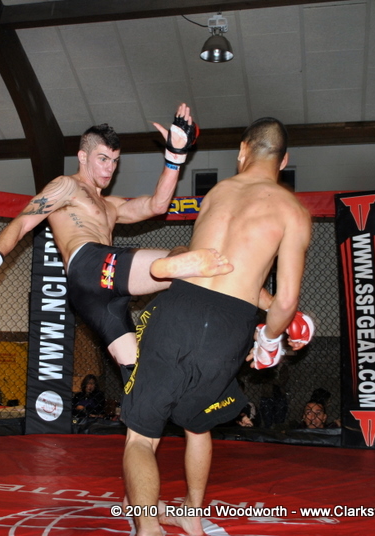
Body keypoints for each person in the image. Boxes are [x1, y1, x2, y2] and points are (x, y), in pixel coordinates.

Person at [121, 117, 312, 535]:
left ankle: (148, 528)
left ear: (242, 151)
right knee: (198, 424)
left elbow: (203, 261)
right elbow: (284, 301)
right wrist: (269, 341)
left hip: (180, 308)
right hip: (231, 325)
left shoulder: (217, 193)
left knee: (141, 438)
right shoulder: (294, 211)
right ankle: (192, 512)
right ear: (283, 161)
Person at [0, 103, 232, 381]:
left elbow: (158, 205)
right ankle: (190, 304)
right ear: (82, 156)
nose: (110, 168)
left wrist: (175, 156)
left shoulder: (111, 206)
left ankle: (146, 400)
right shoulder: (66, 186)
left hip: (100, 297)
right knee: (182, 256)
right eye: (103, 159)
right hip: (89, 265)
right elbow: (23, 222)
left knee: (137, 377)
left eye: (115, 161)